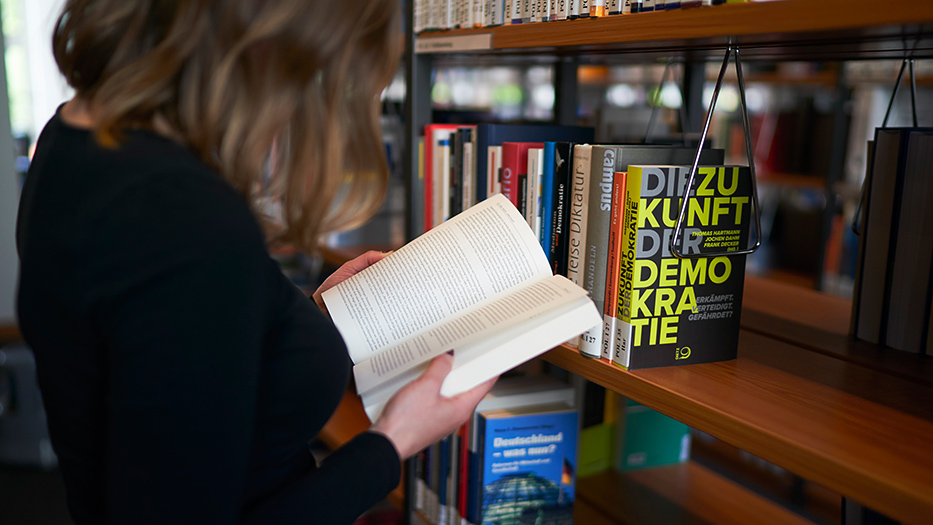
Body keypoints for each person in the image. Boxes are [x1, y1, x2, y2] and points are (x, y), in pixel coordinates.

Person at [15, 0, 495, 523]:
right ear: (266, 49)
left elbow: (172, 354)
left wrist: (304, 316)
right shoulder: (184, 217)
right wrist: (392, 442)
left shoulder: (73, 140)